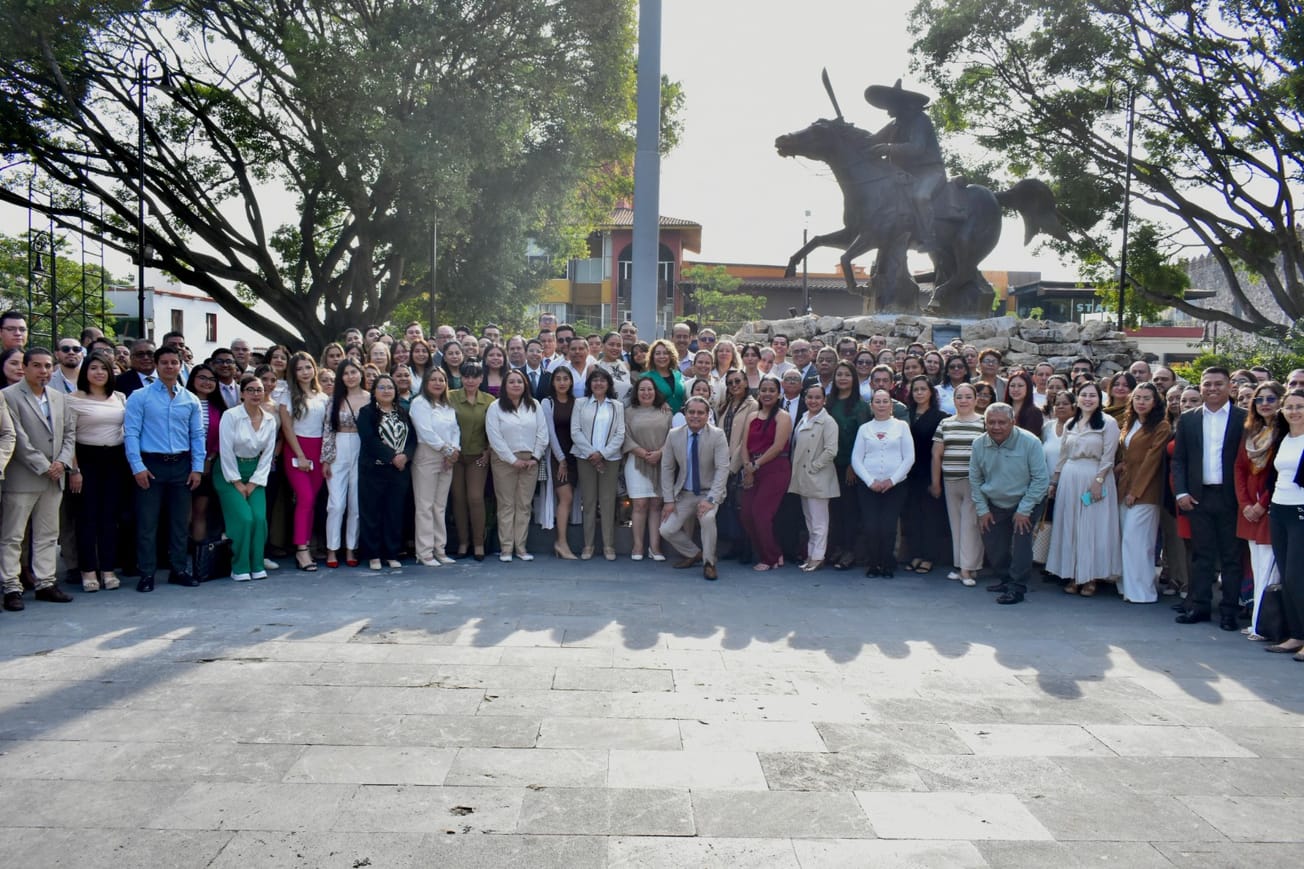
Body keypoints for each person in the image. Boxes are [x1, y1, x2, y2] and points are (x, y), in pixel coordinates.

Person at [123, 345, 205, 592]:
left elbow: (197, 435)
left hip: (181, 465)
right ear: (156, 366)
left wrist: (197, 468)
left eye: (174, 362)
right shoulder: (140, 396)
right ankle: (147, 572)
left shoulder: (190, 399)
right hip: (151, 464)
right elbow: (131, 433)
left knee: (180, 522)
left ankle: (178, 569)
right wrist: (137, 466)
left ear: (180, 365)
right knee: (148, 523)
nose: (170, 367)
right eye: (165, 362)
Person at [1172, 367, 1248, 630]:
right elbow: (1179, 459)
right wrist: (1181, 492)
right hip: (1198, 497)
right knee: (1201, 556)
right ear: (1201, 387)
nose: (1212, 389)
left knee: (1231, 557)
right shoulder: (1189, 419)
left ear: (1229, 386)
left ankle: (1229, 611)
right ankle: (1200, 606)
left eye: (1218, 384)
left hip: (1230, 498)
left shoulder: (1244, 418)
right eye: (1207, 384)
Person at [1, 348, 70, 610]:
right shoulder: (7, 396)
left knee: (48, 534)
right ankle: (11, 585)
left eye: (48, 366)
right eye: (37, 366)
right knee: (13, 535)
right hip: (23, 477)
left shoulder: (59, 397)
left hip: (54, 478)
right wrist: (44, 466)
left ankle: (45, 582)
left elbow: (69, 433)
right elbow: (15, 437)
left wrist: (62, 462)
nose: (43, 371)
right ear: (26, 368)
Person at [969, 403, 1050, 604]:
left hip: (1026, 500)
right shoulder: (979, 444)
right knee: (993, 543)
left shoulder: (1031, 442)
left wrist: (1024, 510)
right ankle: (1005, 578)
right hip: (994, 501)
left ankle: (1017, 587)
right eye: (991, 422)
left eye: (1002, 422)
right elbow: (975, 479)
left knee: (1021, 543)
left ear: (1012, 422)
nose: (996, 427)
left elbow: (1041, 480)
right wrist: (982, 509)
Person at [1047, 381, 1122, 596]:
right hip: (1070, 478)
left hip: (1095, 477)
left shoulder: (1108, 423)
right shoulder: (1071, 422)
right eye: (1084, 395)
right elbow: (1062, 456)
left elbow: (1109, 456)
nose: (1088, 399)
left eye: (1093, 395)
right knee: (1070, 526)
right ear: (1077, 398)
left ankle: (1091, 577)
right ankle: (1072, 574)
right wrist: (1055, 481)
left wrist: (1098, 482)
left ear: (1100, 399)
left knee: (1092, 528)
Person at [860, 78, 945, 252]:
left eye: (889, 105)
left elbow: (917, 148)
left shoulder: (920, 120)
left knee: (920, 197)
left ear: (900, 104)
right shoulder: (895, 124)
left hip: (929, 172)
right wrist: (847, 133)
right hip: (906, 175)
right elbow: (872, 139)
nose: (887, 110)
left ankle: (929, 238)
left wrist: (888, 148)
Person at [67, 351, 126, 592]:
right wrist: (75, 469)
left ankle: (108, 570)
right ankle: (88, 570)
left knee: (109, 519)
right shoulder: (72, 399)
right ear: (85, 372)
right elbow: (68, 438)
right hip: (85, 461)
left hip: (114, 460)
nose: (99, 373)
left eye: (104, 368)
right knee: (87, 519)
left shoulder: (120, 397)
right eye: (93, 368)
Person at [659, 396, 730, 581]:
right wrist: (668, 500)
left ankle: (709, 563)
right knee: (666, 529)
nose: (695, 416)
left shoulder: (717, 435)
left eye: (700, 413)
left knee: (707, 519)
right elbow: (667, 468)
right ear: (685, 414)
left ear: (707, 415)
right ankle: (694, 553)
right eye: (691, 412)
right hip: (684, 493)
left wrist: (711, 499)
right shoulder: (674, 435)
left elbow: (723, 469)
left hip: (708, 493)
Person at [215, 374, 279, 581]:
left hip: (256, 474)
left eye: (259, 389)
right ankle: (240, 566)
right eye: (250, 390)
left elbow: (268, 454)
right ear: (242, 393)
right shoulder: (231, 416)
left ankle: (257, 564)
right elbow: (225, 451)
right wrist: (236, 482)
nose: (255, 394)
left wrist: (253, 483)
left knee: (259, 519)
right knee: (244, 518)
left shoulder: (270, 419)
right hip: (228, 472)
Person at [1234, 380, 1285, 636]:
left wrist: (1260, 505)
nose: (1264, 404)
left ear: (1280, 402)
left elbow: (1277, 475)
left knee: (1268, 569)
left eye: (1271, 399)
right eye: (1260, 399)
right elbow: (1240, 468)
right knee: (1256, 567)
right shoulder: (1251, 432)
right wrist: (1245, 504)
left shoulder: (1284, 433)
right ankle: (1257, 622)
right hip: (1248, 510)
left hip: (1269, 507)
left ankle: (1264, 626)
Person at [1115, 382, 1172, 604]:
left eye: (1146, 398)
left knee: (1137, 541)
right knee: (1125, 539)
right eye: (1137, 397)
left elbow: (1152, 461)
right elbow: (1126, 453)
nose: (1141, 402)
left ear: (1155, 401)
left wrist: (1136, 492)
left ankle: (1143, 591)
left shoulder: (1161, 426)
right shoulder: (1131, 423)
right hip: (1124, 486)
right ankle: (1127, 587)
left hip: (1146, 491)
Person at [486, 369, 549, 562]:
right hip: (504, 460)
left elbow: (542, 433)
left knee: (524, 505)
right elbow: (494, 437)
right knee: (506, 505)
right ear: (505, 386)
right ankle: (506, 548)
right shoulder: (495, 407)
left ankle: (520, 547)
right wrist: (512, 460)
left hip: (530, 461)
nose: (516, 385)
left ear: (525, 385)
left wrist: (535, 457)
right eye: (511, 382)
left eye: (519, 382)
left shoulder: (534, 405)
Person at [852, 388, 915, 577]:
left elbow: (909, 457)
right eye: (877, 402)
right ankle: (873, 564)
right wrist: (870, 481)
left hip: (895, 486)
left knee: (888, 527)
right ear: (871, 406)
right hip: (868, 486)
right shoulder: (865, 429)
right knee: (871, 526)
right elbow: (856, 459)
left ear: (891, 405)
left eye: (885, 401)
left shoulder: (901, 426)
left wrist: (892, 480)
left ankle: (888, 563)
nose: (881, 405)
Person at [277, 352, 329, 571]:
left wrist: (324, 456)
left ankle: (306, 543)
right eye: (299, 369)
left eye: (308, 367)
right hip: (296, 449)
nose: (305, 372)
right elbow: (287, 428)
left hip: (318, 450)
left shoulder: (323, 396)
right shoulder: (287, 395)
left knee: (312, 501)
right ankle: (301, 550)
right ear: (293, 372)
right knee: (305, 498)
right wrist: (299, 454)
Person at [357, 374, 415, 569]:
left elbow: (413, 439)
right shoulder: (366, 412)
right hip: (374, 470)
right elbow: (369, 439)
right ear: (374, 391)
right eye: (381, 387)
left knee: (394, 512)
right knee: (372, 512)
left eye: (390, 387)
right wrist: (392, 456)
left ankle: (391, 553)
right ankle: (373, 555)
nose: (386, 391)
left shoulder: (402, 412)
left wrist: (405, 456)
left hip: (399, 471)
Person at [931, 383, 985, 586]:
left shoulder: (983, 422)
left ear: (975, 399)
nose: (963, 401)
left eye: (968, 396)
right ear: (954, 400)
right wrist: (935, 482)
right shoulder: (946, 423)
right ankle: (963, 565)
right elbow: (937, 454)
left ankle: (967, 570)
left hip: (974, 482)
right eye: (959, 397)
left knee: (970, 525)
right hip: (950, 481)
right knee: (957, 526)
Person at [738, 376, 793, 571]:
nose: (767, 394)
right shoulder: (753, 416)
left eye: (772, 390)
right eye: (764, 390)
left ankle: (769, 558)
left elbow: (778, 447)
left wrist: (756, 465)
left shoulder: (783, 417)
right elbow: (744, 445)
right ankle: (772, 552)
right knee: (746, 514)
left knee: (761, 513)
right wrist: (747, 466)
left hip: (775, 468)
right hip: (753, 468)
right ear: (758, 393)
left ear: (779, 394)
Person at [571, 367, 626, 560]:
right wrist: (591, 454)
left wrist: (603, 453)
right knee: (589, 501)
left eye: (603, 380)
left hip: (609, 459)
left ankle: (609, 545)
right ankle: (588, 545)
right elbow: (575, 431)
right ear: (589, 384)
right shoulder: (580, 403)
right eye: (595, 380)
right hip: (585, 458)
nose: (598, 383)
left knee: (608, 501)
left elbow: (620, 434)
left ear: (609, 384)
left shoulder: (616, 406)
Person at [1265, 388, 1304, 658]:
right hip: (1279, 509)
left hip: (1301, 511)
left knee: (1296, 576)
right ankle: (1296, 634)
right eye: (1289, 406)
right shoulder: (1283, 438)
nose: (1294, 411)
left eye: (1299, 406)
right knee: (1287, 579)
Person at [409, 367, 460, 567]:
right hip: (427, 455)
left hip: (449, 457)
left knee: (440, 507)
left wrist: (454, 451)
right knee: (425, 506)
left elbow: (455, 429)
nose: (438, 383)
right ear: (426, 383)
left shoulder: (447, 405)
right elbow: (426, 431)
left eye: (442, 380)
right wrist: (447, 450)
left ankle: (440, 549)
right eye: (434, 380)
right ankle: (425, 552)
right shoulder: (419, 403)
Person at [786, 383, 839, 572]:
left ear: (824, 400)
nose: (813, 401)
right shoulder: (803, 417)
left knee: (819, 521)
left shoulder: (828, 421)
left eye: (818, 397)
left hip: (818, 477)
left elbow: (831, 450)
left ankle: (818, 556)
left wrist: (814, 466)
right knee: (809, 520)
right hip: (802, 476)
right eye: (810, 397)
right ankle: (811, 554)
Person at [322, 360, 367, 568]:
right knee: (336, 504)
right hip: (338, 448)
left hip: (361, 449)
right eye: (346, 373)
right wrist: (326, 459)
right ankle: (332, 549)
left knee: (356, 504)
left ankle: (351, 547)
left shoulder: (370, 398)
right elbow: (328, 430)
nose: (350, 376)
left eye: (353, 372)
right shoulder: (334, 400)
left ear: (360, 373)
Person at [903, 375, 949, 574]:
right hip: (908, 474)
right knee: (912, 517)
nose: (919, 393)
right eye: (915, 390)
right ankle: (915, 554)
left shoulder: (941, 417)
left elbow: (939, 452)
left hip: (930, 472)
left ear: (931, 392)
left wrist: (936, 481)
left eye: (923, 389)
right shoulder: (906, 414)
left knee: (931, 518)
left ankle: (929, 557)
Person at [448, 361, 494, 560]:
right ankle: (463, 542)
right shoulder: (450, 397)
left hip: (478, 456)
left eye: (474, 376)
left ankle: (478, 543)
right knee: (458, 499)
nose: (470, 380)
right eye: (466, 376)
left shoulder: (490, 400)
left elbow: (494, 429)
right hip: (455, 457)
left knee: (475, 498)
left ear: (481, 379)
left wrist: (489, 451)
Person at [623, 376, 672, 562]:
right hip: (636, 462)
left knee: (655, 505)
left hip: (660, 462)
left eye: (649, 389)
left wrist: (660, 453)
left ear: (655, 391)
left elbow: (672, 437)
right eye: (642, 389)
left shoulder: (666, 411)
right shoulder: (628, 412)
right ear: (636, 392)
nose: (646, 393)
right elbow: (625, 436)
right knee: (640, 504)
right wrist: (642, 453)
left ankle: (655, 547)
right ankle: (638, 545)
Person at [826, 361, 867, 569]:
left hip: (850, 466)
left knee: (850, 510)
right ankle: (838, 547)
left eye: (847, 375)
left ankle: (850, 550)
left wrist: (853, 465)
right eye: (839, 375)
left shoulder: (860, 406)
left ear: (854, 379)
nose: (842, 378)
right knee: (835, 509)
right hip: (829, 465)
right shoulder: (829, 403)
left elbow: (862, 437)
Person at [184, 362, 225, 546]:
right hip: (183, 465)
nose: (207, 382)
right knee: (184, 513)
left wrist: (209, 459)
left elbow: (221, 438)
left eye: (211, 379)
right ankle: (178, 557)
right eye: (202, 378)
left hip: (208, 466)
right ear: (193, 379)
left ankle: (198, 556)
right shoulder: (181, 402)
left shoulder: (218, 408)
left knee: (200, 511)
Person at [542, 365, 579, 559]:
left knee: (570, 497)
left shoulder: (577, 402)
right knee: (566, 498)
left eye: (566, 378)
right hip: (557, 457)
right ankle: (561, 543)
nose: (562, 382)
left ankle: (562, 542)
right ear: (553, 382)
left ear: (571, 381)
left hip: (576, 455)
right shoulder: (547, 403)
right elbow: (550, 433)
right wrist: (561, 459)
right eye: (558, 379)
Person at [595, 332, 632, 401]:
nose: (615, 348)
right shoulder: (595, 367)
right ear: (602, 345)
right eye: (611, 344)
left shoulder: (626, 365)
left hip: (627, 409)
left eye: (619, 345)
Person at [1005, 371, 1043, 438]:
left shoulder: (1034, 413)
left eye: (1020, 386)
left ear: (1028, 388)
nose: (1016, 389)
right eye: (1012, 386)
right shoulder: (1001, 409)